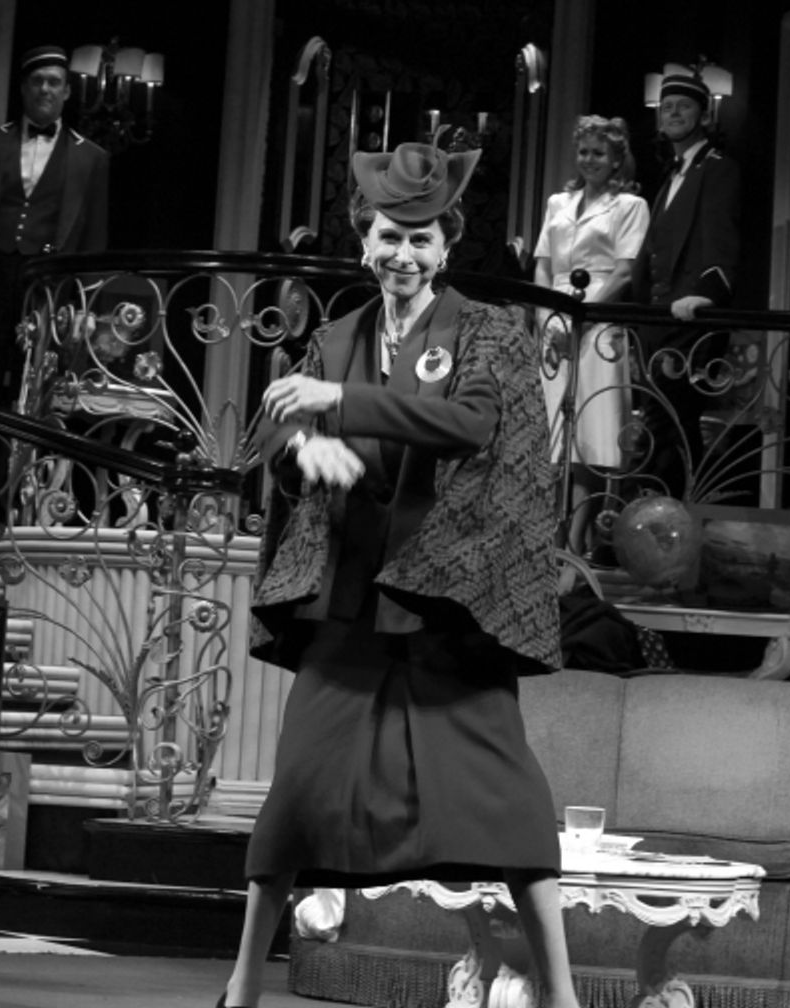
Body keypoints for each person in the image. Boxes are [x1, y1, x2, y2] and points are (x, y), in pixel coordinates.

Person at [219, 143, 579, 1008]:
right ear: (365, 242)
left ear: (447, 247)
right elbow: (274, 433)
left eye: (421, 240)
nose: (404, 256)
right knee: (298, 796)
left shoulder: (487, 329)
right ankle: (239, 991)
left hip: (446, 601)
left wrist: (334, 404)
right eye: (389, 238)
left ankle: (563, 996)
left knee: (509, 801)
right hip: (348, 600)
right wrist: (306, 446)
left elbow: (473, 424)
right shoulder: (336, 336)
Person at [0, 44, 109, 407]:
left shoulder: (92, 157)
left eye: (54, 82)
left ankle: (24, 461)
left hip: (50, 282)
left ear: (67, 92)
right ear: (24, 88)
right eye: (38, 81)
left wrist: (87, 303)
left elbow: (94, 237)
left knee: (37, 374)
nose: (45, 89)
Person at [534, 115, 649, 554]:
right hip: (555, 321)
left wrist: (582, 314)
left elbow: (623, 271)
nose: (589, 160)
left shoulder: (629, 207)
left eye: (599, 153)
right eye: (584, 151)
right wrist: (552, 316)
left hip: (599, 320)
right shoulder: (557, 202)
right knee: (553, 435)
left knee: (591, 436)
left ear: (617, 158)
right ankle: (548, 537)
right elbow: (543, 264)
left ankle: (576, 543)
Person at [632, 70, 740, 499]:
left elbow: (721, 237)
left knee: (671, 425)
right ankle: (659, 526)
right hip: (658, 323)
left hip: (689, 320)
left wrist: (707, 295)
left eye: (685, 106)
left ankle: (665, 527)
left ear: (703, 114)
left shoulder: (718, 168)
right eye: (668, 106)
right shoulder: (669, 178)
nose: (674, 113)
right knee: (661, 426)